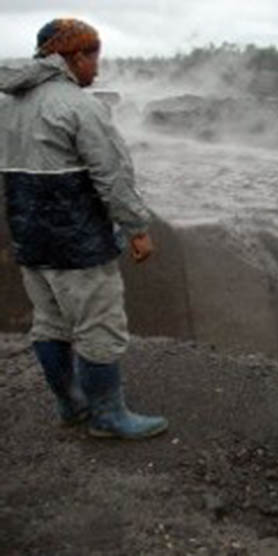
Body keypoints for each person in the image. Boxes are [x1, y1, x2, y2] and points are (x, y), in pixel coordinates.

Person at [0, 18, 168, 439]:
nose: (97, 67)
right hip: (77, 241)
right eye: (95, 57)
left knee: (50, 323)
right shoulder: (79, 106)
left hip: (30, 239)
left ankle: (71, 406)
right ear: (75, 56)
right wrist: (137, 228)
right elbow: (111, 175)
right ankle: (108, 417)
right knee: (99, 326)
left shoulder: (9, 105)